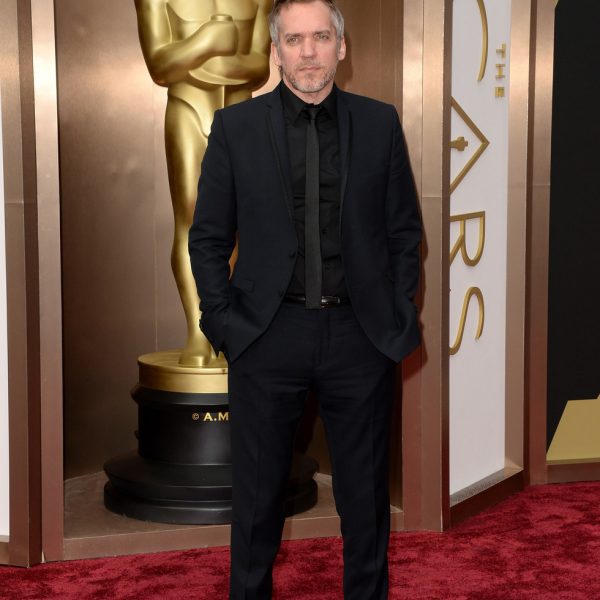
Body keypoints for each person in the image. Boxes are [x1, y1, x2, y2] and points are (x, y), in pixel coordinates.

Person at [189, 0, 422, 597]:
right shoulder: (236, 128)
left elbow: (403, 233)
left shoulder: (379, 122)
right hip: (267, 335)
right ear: (276, 51)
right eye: (295, 40)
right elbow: (208, 238)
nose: (309, 51)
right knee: (257, 499)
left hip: (359, 337)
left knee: (365, 499)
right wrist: (224, 324)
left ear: (342, 46)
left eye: (321, 37)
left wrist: (395, 315)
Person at [134, 0, 272, 367]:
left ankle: (230, 327)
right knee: (192, 221)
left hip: (241, 115)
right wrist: (206, 42)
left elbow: (259, 65)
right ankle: (198, 332)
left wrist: (212, 62)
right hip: (188, 109)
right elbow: (159, 65)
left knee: (239, 225)